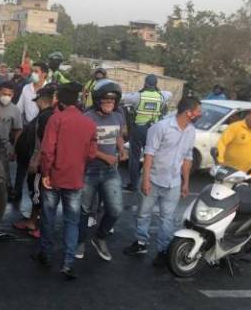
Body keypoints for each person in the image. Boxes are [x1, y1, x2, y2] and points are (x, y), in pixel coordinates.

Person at [124, 97, 201, 266]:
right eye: (198, 111)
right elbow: (149, 154)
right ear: (188, 112)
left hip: (173, 182)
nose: (199, 114)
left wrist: (185, 182)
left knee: (167, 218)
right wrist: (145, 181)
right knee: (144, 213)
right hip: (153, 178)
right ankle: (141, 243)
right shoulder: (161, 127)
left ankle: (163, 250)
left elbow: (188, 158)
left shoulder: (191, 131)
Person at [34, 81, 97, 280]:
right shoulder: (89, 123)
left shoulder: (56, 119)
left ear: (60, 101)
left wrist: (45, 174)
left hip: (53, 178)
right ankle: (68, 263)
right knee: (72, 221)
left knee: (48, 217)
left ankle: (45, 254)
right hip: (75, 179)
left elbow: (46, 151)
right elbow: (92, 154)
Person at [76, 80, 127, 262]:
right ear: (97, 100)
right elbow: (82, 146)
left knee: (115, 209)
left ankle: (100, 237)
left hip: (110, 172)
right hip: (89, 171)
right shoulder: (87, 117)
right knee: (83, 210)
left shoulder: (118, 116)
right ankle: (80, 241)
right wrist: (105, 157)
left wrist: (121, 149)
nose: (109, 105)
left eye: (112, 102)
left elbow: (119, 135)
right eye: (106, 101)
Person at [216, 106, 251, 239]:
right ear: (248, 115)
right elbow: (222, 144)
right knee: (224, 202)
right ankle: (219, 229)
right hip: (229, 174)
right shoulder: (234, 127)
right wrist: (219, 162)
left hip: (250, 175)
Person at [12, 84, 56, 235]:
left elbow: (43, 143)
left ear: (41, 100)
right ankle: (32, 222)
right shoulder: (43, 115)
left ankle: (38, 225)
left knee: (39, 194)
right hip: (33, 161)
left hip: (38, 165)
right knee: (35, 192)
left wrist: (36, 162)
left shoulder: (46, 117)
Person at [122, 74, 172, 191]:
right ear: (156, 84)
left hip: (139, 130)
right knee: (150, 157)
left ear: (145, 83)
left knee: (134, 157)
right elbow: (170, 93)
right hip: (154, 130)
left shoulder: (138, 96)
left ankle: (134, 184)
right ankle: (150, 182)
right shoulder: (162, 96)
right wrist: (157, 90)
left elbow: (123, 98)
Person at [0, 81, 23, 195]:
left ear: (13, 95)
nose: (6, 97)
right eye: (4, 94)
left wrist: (14, 148)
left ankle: (4, 193)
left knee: (3, 172)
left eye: (9, 95)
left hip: (4, 146)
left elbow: (18, 130)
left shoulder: (15, 110)